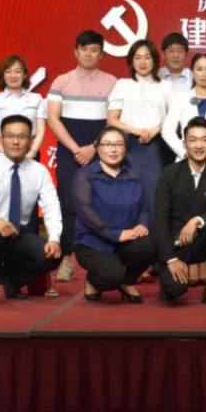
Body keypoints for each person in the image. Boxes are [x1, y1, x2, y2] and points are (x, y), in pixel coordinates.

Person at [0, 115, 63, 310]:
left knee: (53, 256)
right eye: (10, 136)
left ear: (31, 140)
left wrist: (54, 238)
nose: (16, 141)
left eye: (22, 136)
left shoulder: (39, 171)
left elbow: (51, 206)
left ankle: (11, 281)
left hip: (18, 233)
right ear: (1, 139)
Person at [46, 30, 116, 282]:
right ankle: (66, 260)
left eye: (94, 50)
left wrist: (94, 148)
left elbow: (114, 120)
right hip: (69, 152)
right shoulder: (62, 81)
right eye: (84, 49)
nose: (88, 54)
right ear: (76, 52)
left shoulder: (112, 82)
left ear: (101, 54)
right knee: (69, 204)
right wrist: (77, 149)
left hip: (103, 151)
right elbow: (53, 119)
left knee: (104, 204)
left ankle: (105, 257)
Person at [153, 117, 206, 308]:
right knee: (174, 290)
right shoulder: (169, 173)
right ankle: (168, 283)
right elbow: (159, 219)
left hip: (203, 240)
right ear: (184, 144)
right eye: (193, 140)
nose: (199, 145)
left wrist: (197, 221)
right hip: (177, 243)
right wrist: (170, 258)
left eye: (205, 140)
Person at [71, 125, 155, 304]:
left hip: (126, 239)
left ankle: (128, 281)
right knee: (111, 277)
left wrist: (142, 225)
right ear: (97, 147)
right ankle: (94, 280)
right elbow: (86, 211)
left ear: (125, 148)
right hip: (92, 241)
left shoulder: (133, 176)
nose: (113, 149)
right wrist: (115, 234)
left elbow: (144, 209)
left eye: (118, 144)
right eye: (108, 144)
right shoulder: (85, 174)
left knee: (148, 246)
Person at [106, 39, 174, 212]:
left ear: (155, 60)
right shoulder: (123, 84)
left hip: (159, 145)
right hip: (129, 146)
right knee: (130, 193)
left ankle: (155, 227)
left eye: (147, 57)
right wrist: (137, 131)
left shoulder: (166, 86)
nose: (142, 62)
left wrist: (155, 130)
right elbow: (112, 120)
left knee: (156, 192)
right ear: (131, 61)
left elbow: (174, 117)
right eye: (137, 58)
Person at [0, 55, 47, 158]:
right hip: (0, 152)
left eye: (17, 71)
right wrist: (6, 155)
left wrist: (32, 153)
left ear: (24, 75)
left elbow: (41, 131)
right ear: (3, 75)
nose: (13, 75)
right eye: (8, 71)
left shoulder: (37, 99)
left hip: (29, 151)